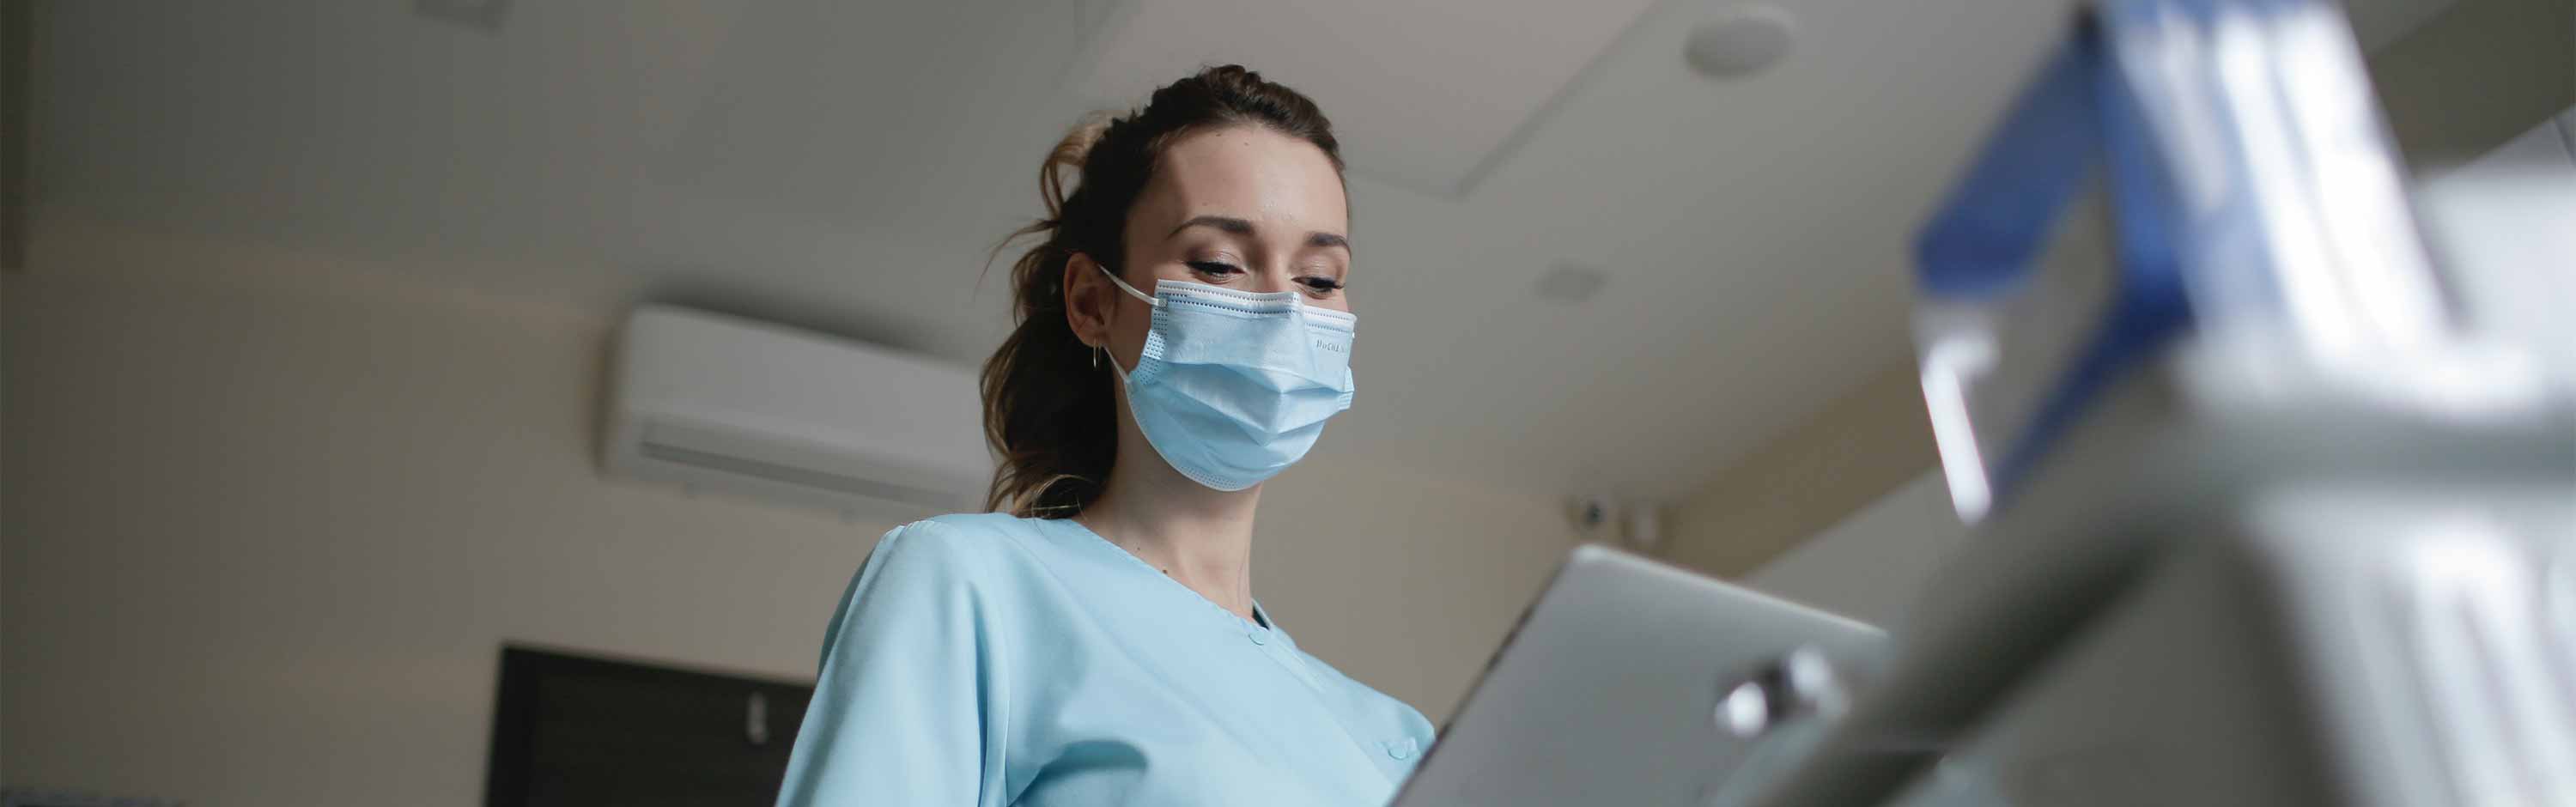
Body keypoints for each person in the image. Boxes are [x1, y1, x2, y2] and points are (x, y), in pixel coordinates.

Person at [775, 65, 1433, 806]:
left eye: (1318, 278)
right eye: (1219, 264)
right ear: (1092, 302)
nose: (1284, 313)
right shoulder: (971, 585)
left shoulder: (1399, 739)